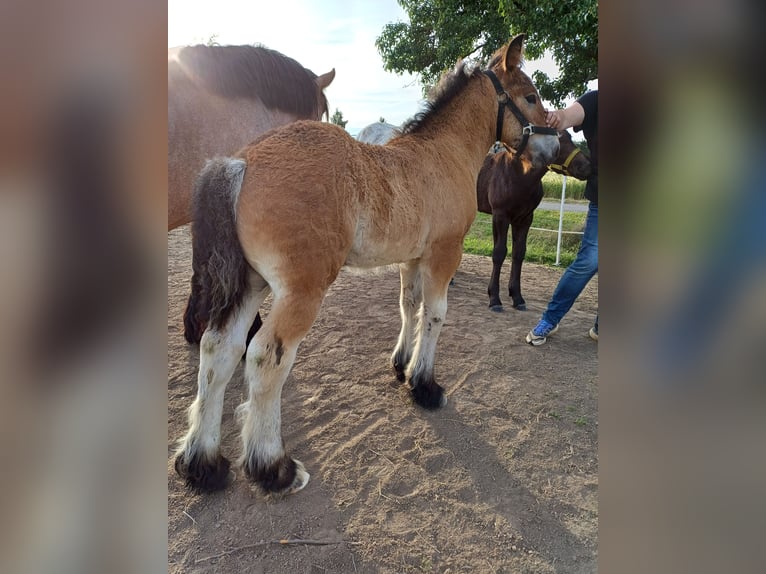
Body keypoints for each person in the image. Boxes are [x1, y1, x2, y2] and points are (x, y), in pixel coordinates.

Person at [526, 90, 598, 346]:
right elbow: (570, 115)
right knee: (589, 261)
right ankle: (551, 318)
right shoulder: (598, 99)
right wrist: (558, 117)